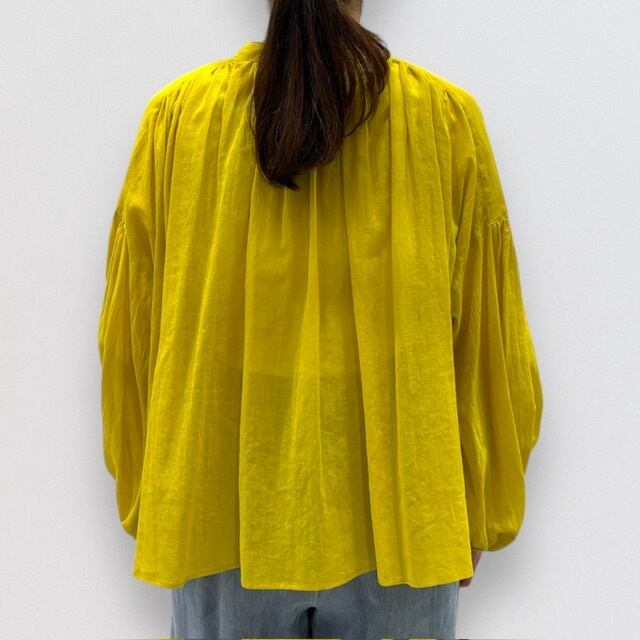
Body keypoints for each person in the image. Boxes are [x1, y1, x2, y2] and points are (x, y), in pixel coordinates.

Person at [97, 0, 543, 638]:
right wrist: (475, 505)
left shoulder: (179, 121)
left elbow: (133, 336)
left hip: (220, 509)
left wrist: (161, 495)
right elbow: (486, 334)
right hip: (405, 514)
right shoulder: (441, 121)